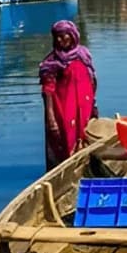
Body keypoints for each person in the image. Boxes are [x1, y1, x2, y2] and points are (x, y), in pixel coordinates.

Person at [39, 20, 98, 171]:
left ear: (72, 36)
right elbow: (48, 91)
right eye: (56, 37)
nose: (59, 40)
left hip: (84, 110)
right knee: (64, 144)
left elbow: (92, 81)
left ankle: (84, 171)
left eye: (63, 36)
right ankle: (63, 176)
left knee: (87, 139)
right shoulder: (51, 63)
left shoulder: (83, 55)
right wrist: (51, 119)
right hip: (63, 112)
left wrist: (94, 106)